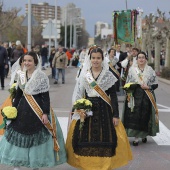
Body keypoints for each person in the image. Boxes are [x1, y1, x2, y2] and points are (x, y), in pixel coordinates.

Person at [66, 47, 132, 170]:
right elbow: (80, 94)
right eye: (93, 58)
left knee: (106, 138)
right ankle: (87, 165)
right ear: (90, 59)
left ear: (102, 59)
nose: (96, 60)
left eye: (98, 58)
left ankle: (103, 165)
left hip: (104, 111)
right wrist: (80, 109)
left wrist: (116, 115)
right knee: (83, 138)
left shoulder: (109, 75)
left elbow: (113, 97)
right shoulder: (84, 75)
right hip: (87, 111)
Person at [0, 52, 67, 170]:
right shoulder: (21, 75)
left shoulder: (41, 76)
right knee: (17, 137)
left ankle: (35, 164)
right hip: (22, 110)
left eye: (29, 61)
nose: (27, 63)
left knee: (36, 139)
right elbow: (19, 94)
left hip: (37, 111)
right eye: (25, 60)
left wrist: (45, 113)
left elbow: (45, 97)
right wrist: (13, 109)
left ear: (35, 62)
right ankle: (17, 164)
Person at [122, 51, 159, 146]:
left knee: (145, 116)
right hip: (135, 95)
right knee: (134, 116)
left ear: (146, 59)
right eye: (139, 57)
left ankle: (144, 135)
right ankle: (136, 137)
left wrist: (149, 87)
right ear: (137, 59)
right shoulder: (132, 70)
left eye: (143, 57)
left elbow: (155, 84)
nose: (141, 59)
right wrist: (129, 91)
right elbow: (127, 83)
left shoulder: (150, 70)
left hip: (147, 96)